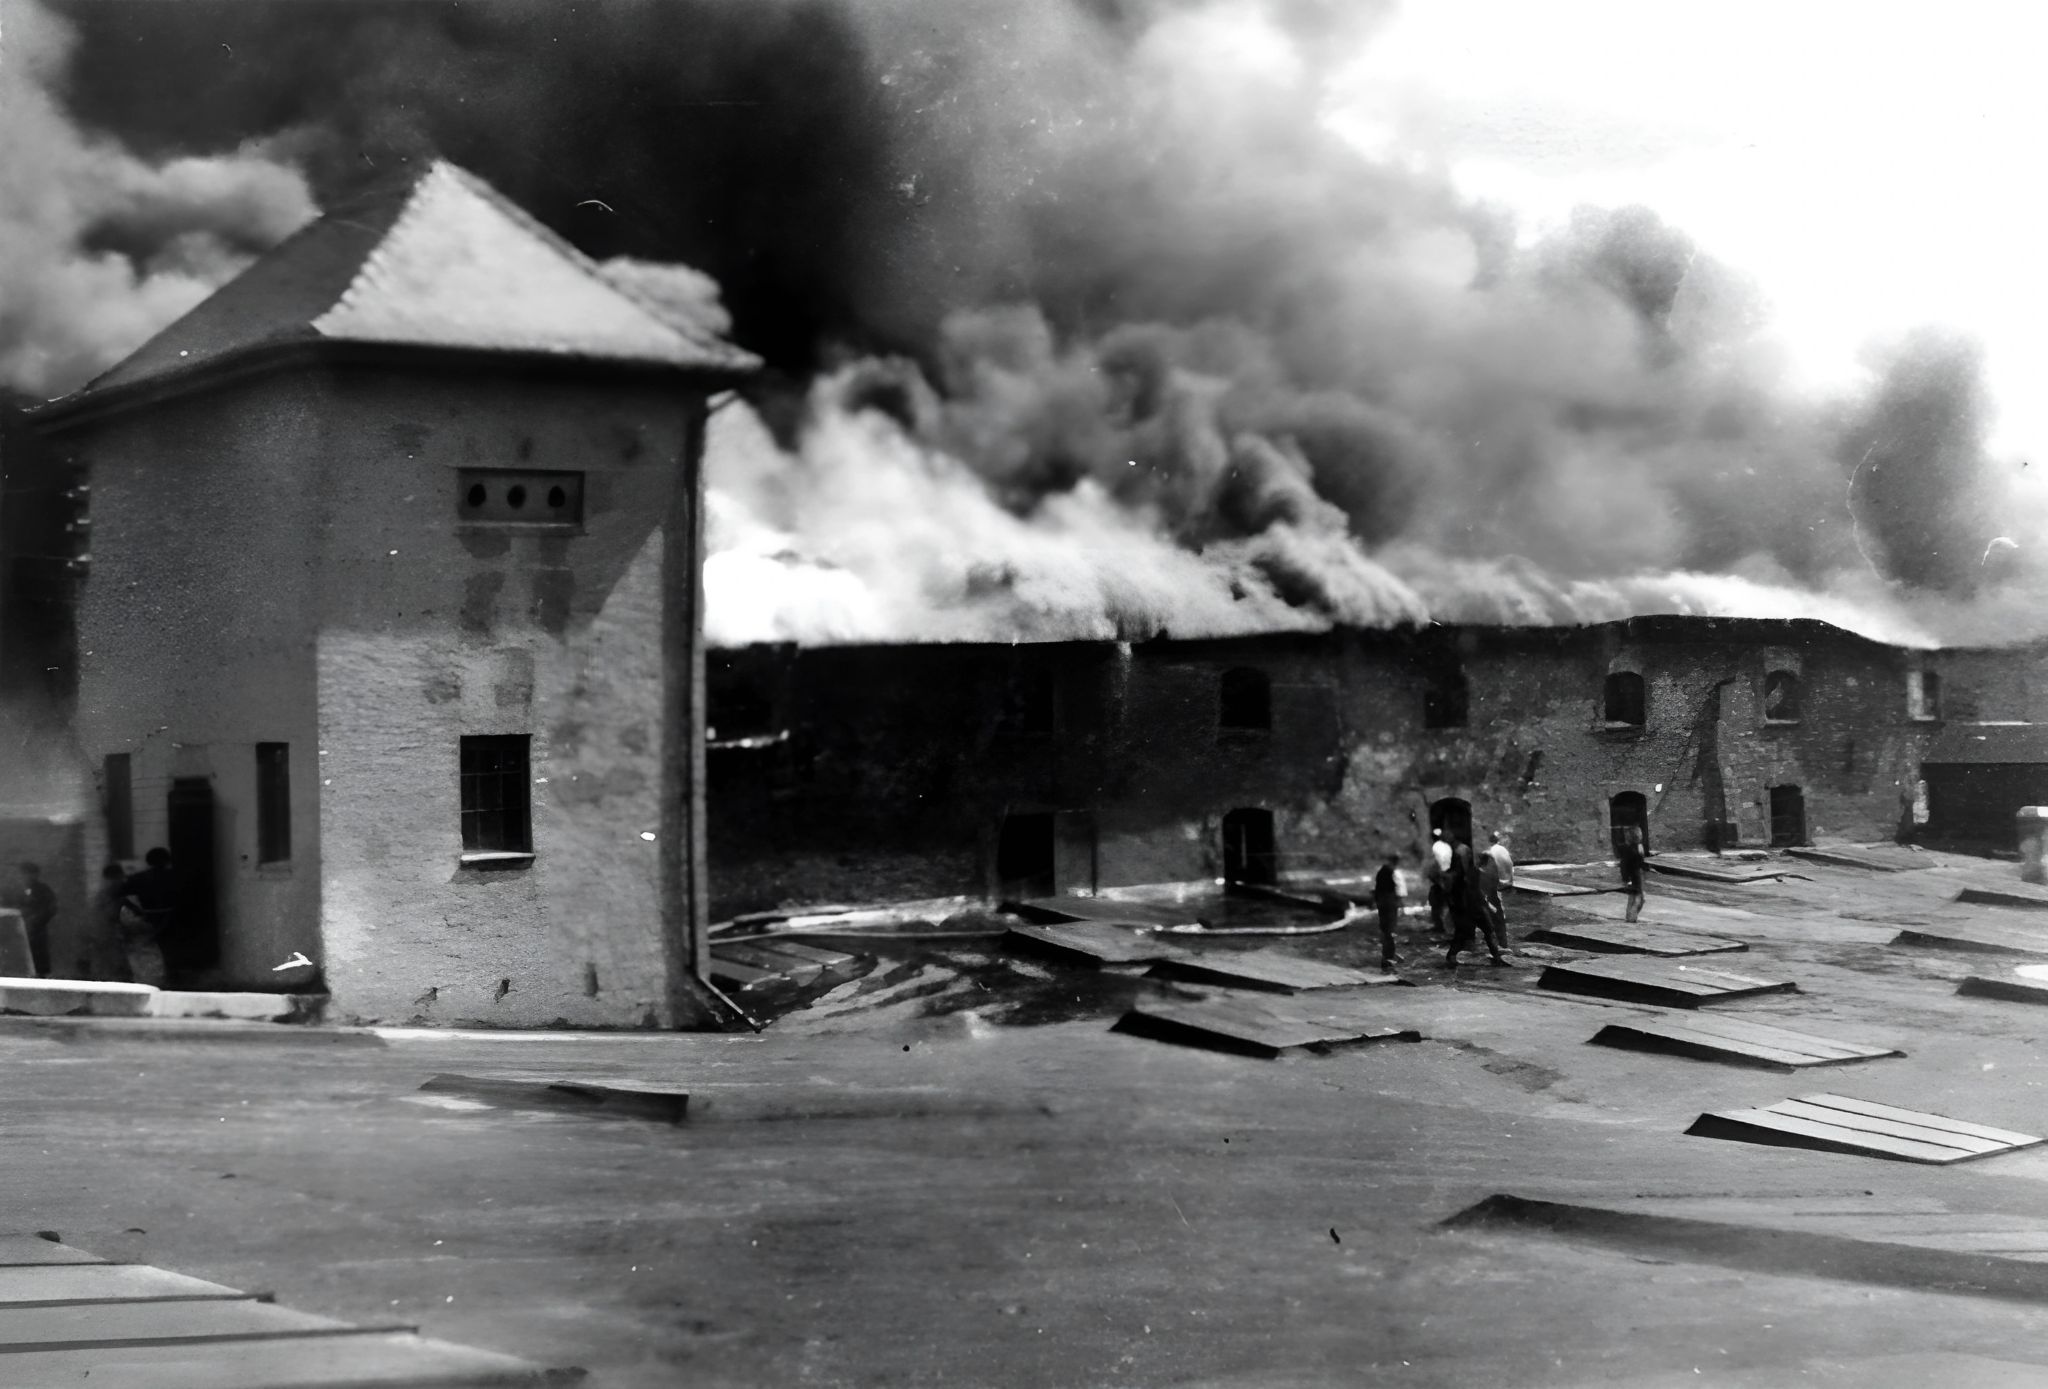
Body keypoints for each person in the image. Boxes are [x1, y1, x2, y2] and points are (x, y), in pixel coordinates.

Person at [92, 863, 164, 987]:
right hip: (115, 938)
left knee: (119, 971)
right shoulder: (118, 893)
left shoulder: (108, 895)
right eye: (118, 878)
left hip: (114, 939)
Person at [1444, 840, 1510, 969]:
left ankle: (1496, 957)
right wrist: (1487, 904)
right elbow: (1474, 891)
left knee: (1481, 931)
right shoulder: (1473, 873)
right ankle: (1495, 957)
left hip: (1472, 907)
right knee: (1479, 932)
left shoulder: (1471, 872)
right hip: (1474, 907)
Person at [123, 849, 178, 976]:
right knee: (167, 949)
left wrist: (135, 909)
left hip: (148, 918)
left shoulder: (138, 878)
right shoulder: (174, 876)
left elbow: (120, 896)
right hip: (169, 918)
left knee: (151, 950)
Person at [11, 863, 56, 978]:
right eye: (23, 874)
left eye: (29, 874)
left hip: (37, 931)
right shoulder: (18, 890)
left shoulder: (43, 890)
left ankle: (40, 978)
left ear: (35, 875)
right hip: (21, 931)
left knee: (39, 958)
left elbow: (51, 908)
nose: (26, 877)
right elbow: (15, 907)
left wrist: (35, 920)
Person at [1480, 831, 1515, 948]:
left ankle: (1497, 943)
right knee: (1498, 914)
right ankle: (1502, 942)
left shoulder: (1488, 853)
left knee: (1493, 913)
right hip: (1506, 882)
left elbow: (1486, 872)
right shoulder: (1503, 850)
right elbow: (1510, 866)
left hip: (1495, 884)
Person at [1370, 854, 1404, 972]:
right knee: (1390, 930)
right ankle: (1388, 958)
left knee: (1385, 930)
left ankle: (1387, 956)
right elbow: (1399, 891)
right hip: (1389, 902)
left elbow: (1375, 888)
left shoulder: (1381, 871)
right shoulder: (1394, 873)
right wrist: (1400, 903)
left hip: (1382, 901)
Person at [1426, 829, 1454, 936]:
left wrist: (1435, 878)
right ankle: (1446, 926)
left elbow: (1436, 864)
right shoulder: (1447, 846)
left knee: (1437, 903)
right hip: (1448, 876)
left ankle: (1440, 926)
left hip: (1440, 878)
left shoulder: (1435, 847)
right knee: (1447, 903)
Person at [1618, 826, 1648, 923]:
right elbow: (1625, 864)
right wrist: (1627, 878)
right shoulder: (1631, 849)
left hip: (1636, 875)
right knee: (1639, 898)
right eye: (1640, 834)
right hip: (1634, 876)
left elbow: (1639, 861)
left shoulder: (1637, 847)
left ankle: (1629, 917)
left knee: (1633, 897)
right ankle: (1632, 918)